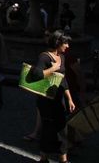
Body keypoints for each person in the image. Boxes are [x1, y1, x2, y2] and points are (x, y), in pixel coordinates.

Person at [31, 30, 75, 163]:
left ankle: (63, 160)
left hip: (59, 100)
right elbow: (37, 75)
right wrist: (53, 68)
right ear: (58, 42)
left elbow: (63, 79)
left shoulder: (62, 57)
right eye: (66, 43)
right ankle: (44, 158)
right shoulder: (44, 57)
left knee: (62, 129)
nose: (67, 46)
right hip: (46, 101)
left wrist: (69, 99)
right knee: (48, 130)